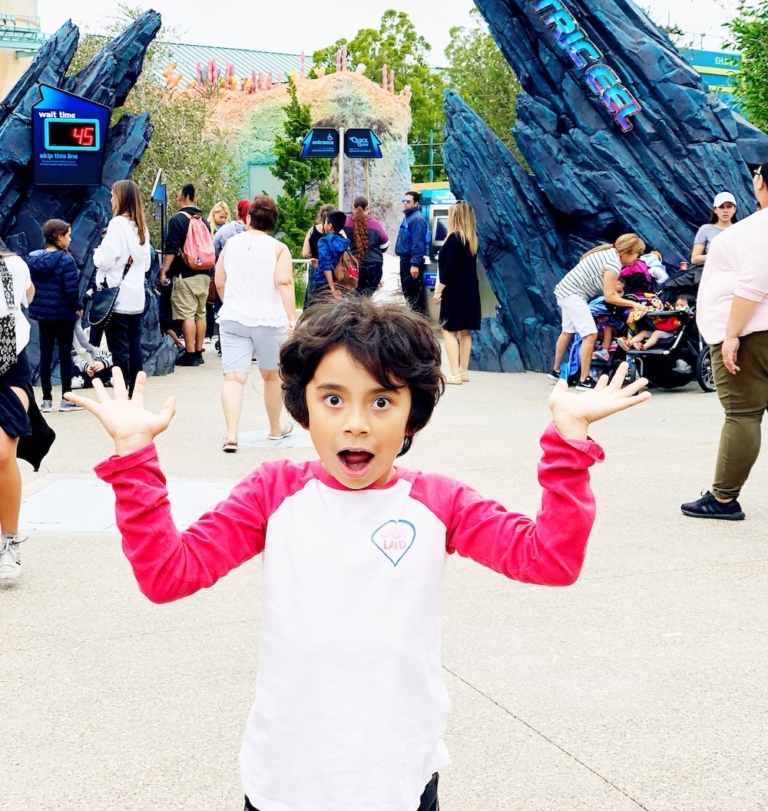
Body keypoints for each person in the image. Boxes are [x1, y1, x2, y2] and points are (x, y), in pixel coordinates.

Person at [67, 298, 650, 811]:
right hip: (284, 775)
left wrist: (570, 442)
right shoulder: (272, 493)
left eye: (381, 402)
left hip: (398, 772)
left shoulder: (439, 502)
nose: (356, 424)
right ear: (303, 408)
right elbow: (168, 574)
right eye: (333, 398)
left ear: (412, 414)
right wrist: (134, 454)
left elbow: (550, 559)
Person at [681, 164, 768, 520]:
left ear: (760, 182)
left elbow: (754, 284)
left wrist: (731, 334)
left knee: (743, 414)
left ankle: (722, 499)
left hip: (751, 333)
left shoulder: (755, 230)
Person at [215, 196, 297, 452]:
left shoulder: (230, 243)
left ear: (248, 218)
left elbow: (219, 280)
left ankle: (231, 435)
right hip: (269, 319)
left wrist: (231, 302)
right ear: (273, 223)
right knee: (272, 377)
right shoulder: (278, 248)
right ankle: (275, 428)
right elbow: (284, 282)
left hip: (233, 317)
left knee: (233, 378)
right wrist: (291, 317)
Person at [549, 234, 649, 390]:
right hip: (573, 295)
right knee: (590, 334)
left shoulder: (608, 252)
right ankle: (584, 380)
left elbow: (610, 293)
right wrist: (634, 304)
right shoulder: (613, 263)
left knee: (567, 331)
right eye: (637, 254)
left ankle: (555, 371)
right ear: (629, 251)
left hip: (565, 291)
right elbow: (609, 297)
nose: (637, 258)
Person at [92, 180, 152, 396]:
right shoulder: (141, 227)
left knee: (118, 349)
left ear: (121, 198)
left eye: (113, 195)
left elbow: (105, 261)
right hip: (136, 297)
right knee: (134, 345)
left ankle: (121, 389)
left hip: (116, 297)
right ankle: (136, 390)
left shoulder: (117, 224)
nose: (110, 199)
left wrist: (97, 253)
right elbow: (145, 265)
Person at [0, 245, 35, 582]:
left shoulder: (13, 266)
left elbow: (28, 294)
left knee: (1, 452)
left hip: (9, 369)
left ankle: (9, 542)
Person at [28, 219, 83, 412]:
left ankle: (46, 400)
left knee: (46, 354)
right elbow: (71, 291)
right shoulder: (66, 260)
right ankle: (67, 398)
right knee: (65, 355)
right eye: (68, 235)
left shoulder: (33, 259)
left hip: (43, 315)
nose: (70, 238)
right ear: (59, 237)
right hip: (64, 314)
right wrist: (77, 306)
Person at [158, 184, 212, 367]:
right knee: (200, 314)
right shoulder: (204, 221)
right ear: (195, 199)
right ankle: (199, 351)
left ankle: (189, 354)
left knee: (187, 314)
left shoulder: (178, 220)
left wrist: (164, 269)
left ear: (179, 197)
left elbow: (171, 248)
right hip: (204, 274)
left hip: (185, 274)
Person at [433, 200, 481, 384]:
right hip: (470, 290)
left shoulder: (453, 239)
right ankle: (463, 371)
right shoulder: (471, 239)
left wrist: (438, 291)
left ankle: (453, 373)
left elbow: (449, 269)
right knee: (465, 331)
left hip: (454, 291)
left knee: (448, 330)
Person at [395, 190, 428, 314]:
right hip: (405, 260)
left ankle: (420, 324)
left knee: (414, 296)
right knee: (408, 293)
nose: (404, 203)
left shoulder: (417, 219)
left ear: (416, 204)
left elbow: (418, 243)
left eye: (408, 201)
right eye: (403, 201)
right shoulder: (409, 217)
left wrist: (414, 264)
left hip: (410, 262)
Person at [348, 197, 387, 297]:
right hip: (374, 265)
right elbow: (385, 244)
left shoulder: (345, 222)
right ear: (367, 208)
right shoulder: (375, 224)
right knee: (365, 299)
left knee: (353, 299)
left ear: (353, 208)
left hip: (352, 264)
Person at [312, 210, 353, 303]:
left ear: (330, 225)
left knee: (319, 312)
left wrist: (331, 287)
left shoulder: (324, 241)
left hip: (324, 283)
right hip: (340, 282)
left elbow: (326, 264)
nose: (324, 224)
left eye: (326, 222)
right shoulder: (344, 242)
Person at [627, 296, 692, 350]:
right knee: (643, 332)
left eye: (682, 305)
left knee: (656, 333)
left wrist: (687, 312)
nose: (679, 307)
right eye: (677, 305)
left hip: (671, 333)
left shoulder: (686, 314)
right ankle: (629, 343)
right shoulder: (671, 310)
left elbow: (689, 313)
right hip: (662, 330)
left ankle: (644, 347)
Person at [691, 192, 737, 265]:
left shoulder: (740, 229)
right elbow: (694, 259)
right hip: (714, 273)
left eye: (729, 206)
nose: (725, 211)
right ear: (715, 210)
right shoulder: (705, 229)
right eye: (721, 207)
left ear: (734, 209)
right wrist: (716, 256)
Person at [301, 203, 335, 300]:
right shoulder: (338, 232)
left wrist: (316, 255)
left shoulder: (312, 230)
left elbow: (305, 253)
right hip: (331, 269)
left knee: (313, 298)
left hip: (315, 267)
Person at [71, 320, 113, 389]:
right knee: (71, 364)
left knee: (120, 365)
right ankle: (80, 379)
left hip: (107, 368)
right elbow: (75, 355)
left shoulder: (115, 333)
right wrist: (87, 366)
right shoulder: (83, 332)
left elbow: (120, 355)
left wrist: (104, 363)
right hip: (87, 370)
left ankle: (110, 379)